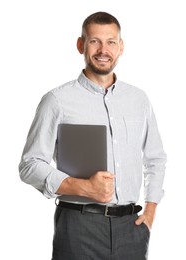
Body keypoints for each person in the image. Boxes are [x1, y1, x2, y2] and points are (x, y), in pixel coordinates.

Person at [19, 11, 167, 260]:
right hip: (79, 227)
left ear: (120, 47)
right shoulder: (57, 100)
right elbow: (30, 165)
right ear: (81, 45)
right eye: (94, 41)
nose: (103, 50)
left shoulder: (139, 99)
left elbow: (155, 158)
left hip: (132, 228)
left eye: (110, 42)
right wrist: (83, 187)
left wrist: (150, 211)